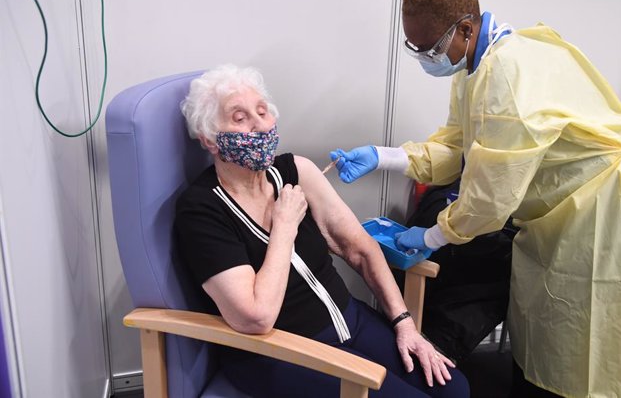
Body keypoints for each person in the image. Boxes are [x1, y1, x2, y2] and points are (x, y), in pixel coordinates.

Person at [330, 0, 621, 398]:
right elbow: (457, 150)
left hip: (610, 208)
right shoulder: (477, 66)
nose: (425, 56)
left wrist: (430, 235)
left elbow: (488, 198)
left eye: (429, 47)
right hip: (572, 205)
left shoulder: (506, 80)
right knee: (563, 333)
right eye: (415, 48)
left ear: (465, 28)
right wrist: (383, 157)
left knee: (608, 347)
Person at [174, 63, 470, 398]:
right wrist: (285, 226)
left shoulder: (295, 169)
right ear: (210, 140)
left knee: (454, 389)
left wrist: (404, 324)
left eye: (262, 111)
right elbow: (256, 318)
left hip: (349, 319)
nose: (259, 126)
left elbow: (359, 247)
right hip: (280, 352)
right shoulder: (201, 211)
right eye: (240, 118)